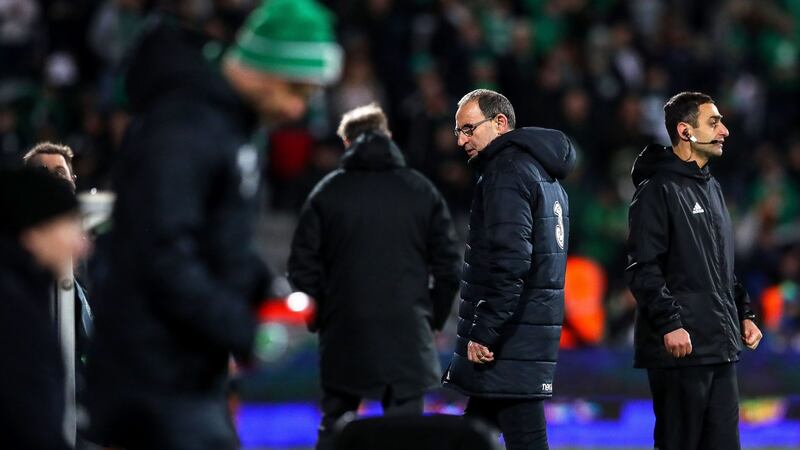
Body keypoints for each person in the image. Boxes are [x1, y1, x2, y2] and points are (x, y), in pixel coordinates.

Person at [85, 1, 343, 449]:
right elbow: (161, 252)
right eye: (297, 90)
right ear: (266, 68)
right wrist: (245, 333)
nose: (299, 109)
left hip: (181, 371)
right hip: (152, 376)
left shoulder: (224, 125)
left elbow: (215, 240)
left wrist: (263, 290)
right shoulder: (186, 126)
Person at [288, 103, 462, 450]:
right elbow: (449, 269)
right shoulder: (420, 190)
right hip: (407, 331)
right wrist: (431, 318)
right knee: (405, 433)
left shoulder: (328, 191)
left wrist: (322, 317)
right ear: (389, 137)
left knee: (336, 428)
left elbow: (301, 267)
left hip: (345, 330)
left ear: (347, 142)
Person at [625, 91, 763, 450]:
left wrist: (743, 312)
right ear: (686, 131)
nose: (725, 131)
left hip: (719, 344)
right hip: (681, 350)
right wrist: (670, 323)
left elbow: (720, 264)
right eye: (714, 122)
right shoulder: (657, 189)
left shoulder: (711, 187)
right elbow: (643, 268)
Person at [442, 89, 576, 450]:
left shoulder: (506, 172)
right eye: (458, 131)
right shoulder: (546, 175)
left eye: (469, 129)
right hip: (526, 335)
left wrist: (486, 329)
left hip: (509, 340)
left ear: (500, 123)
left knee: (521, 439)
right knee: (472, 436)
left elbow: (512, 261)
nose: (461, 140)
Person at [0, 167, 88, 450]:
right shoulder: (13, 310)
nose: (81, 245)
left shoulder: (26, 291)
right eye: (68, 226)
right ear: (33, 231)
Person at [22, 141, 94, 447]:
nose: (52, 179)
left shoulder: (101, 252)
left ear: (73, 184)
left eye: (60, 173)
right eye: (41, 173)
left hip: (87, 421)